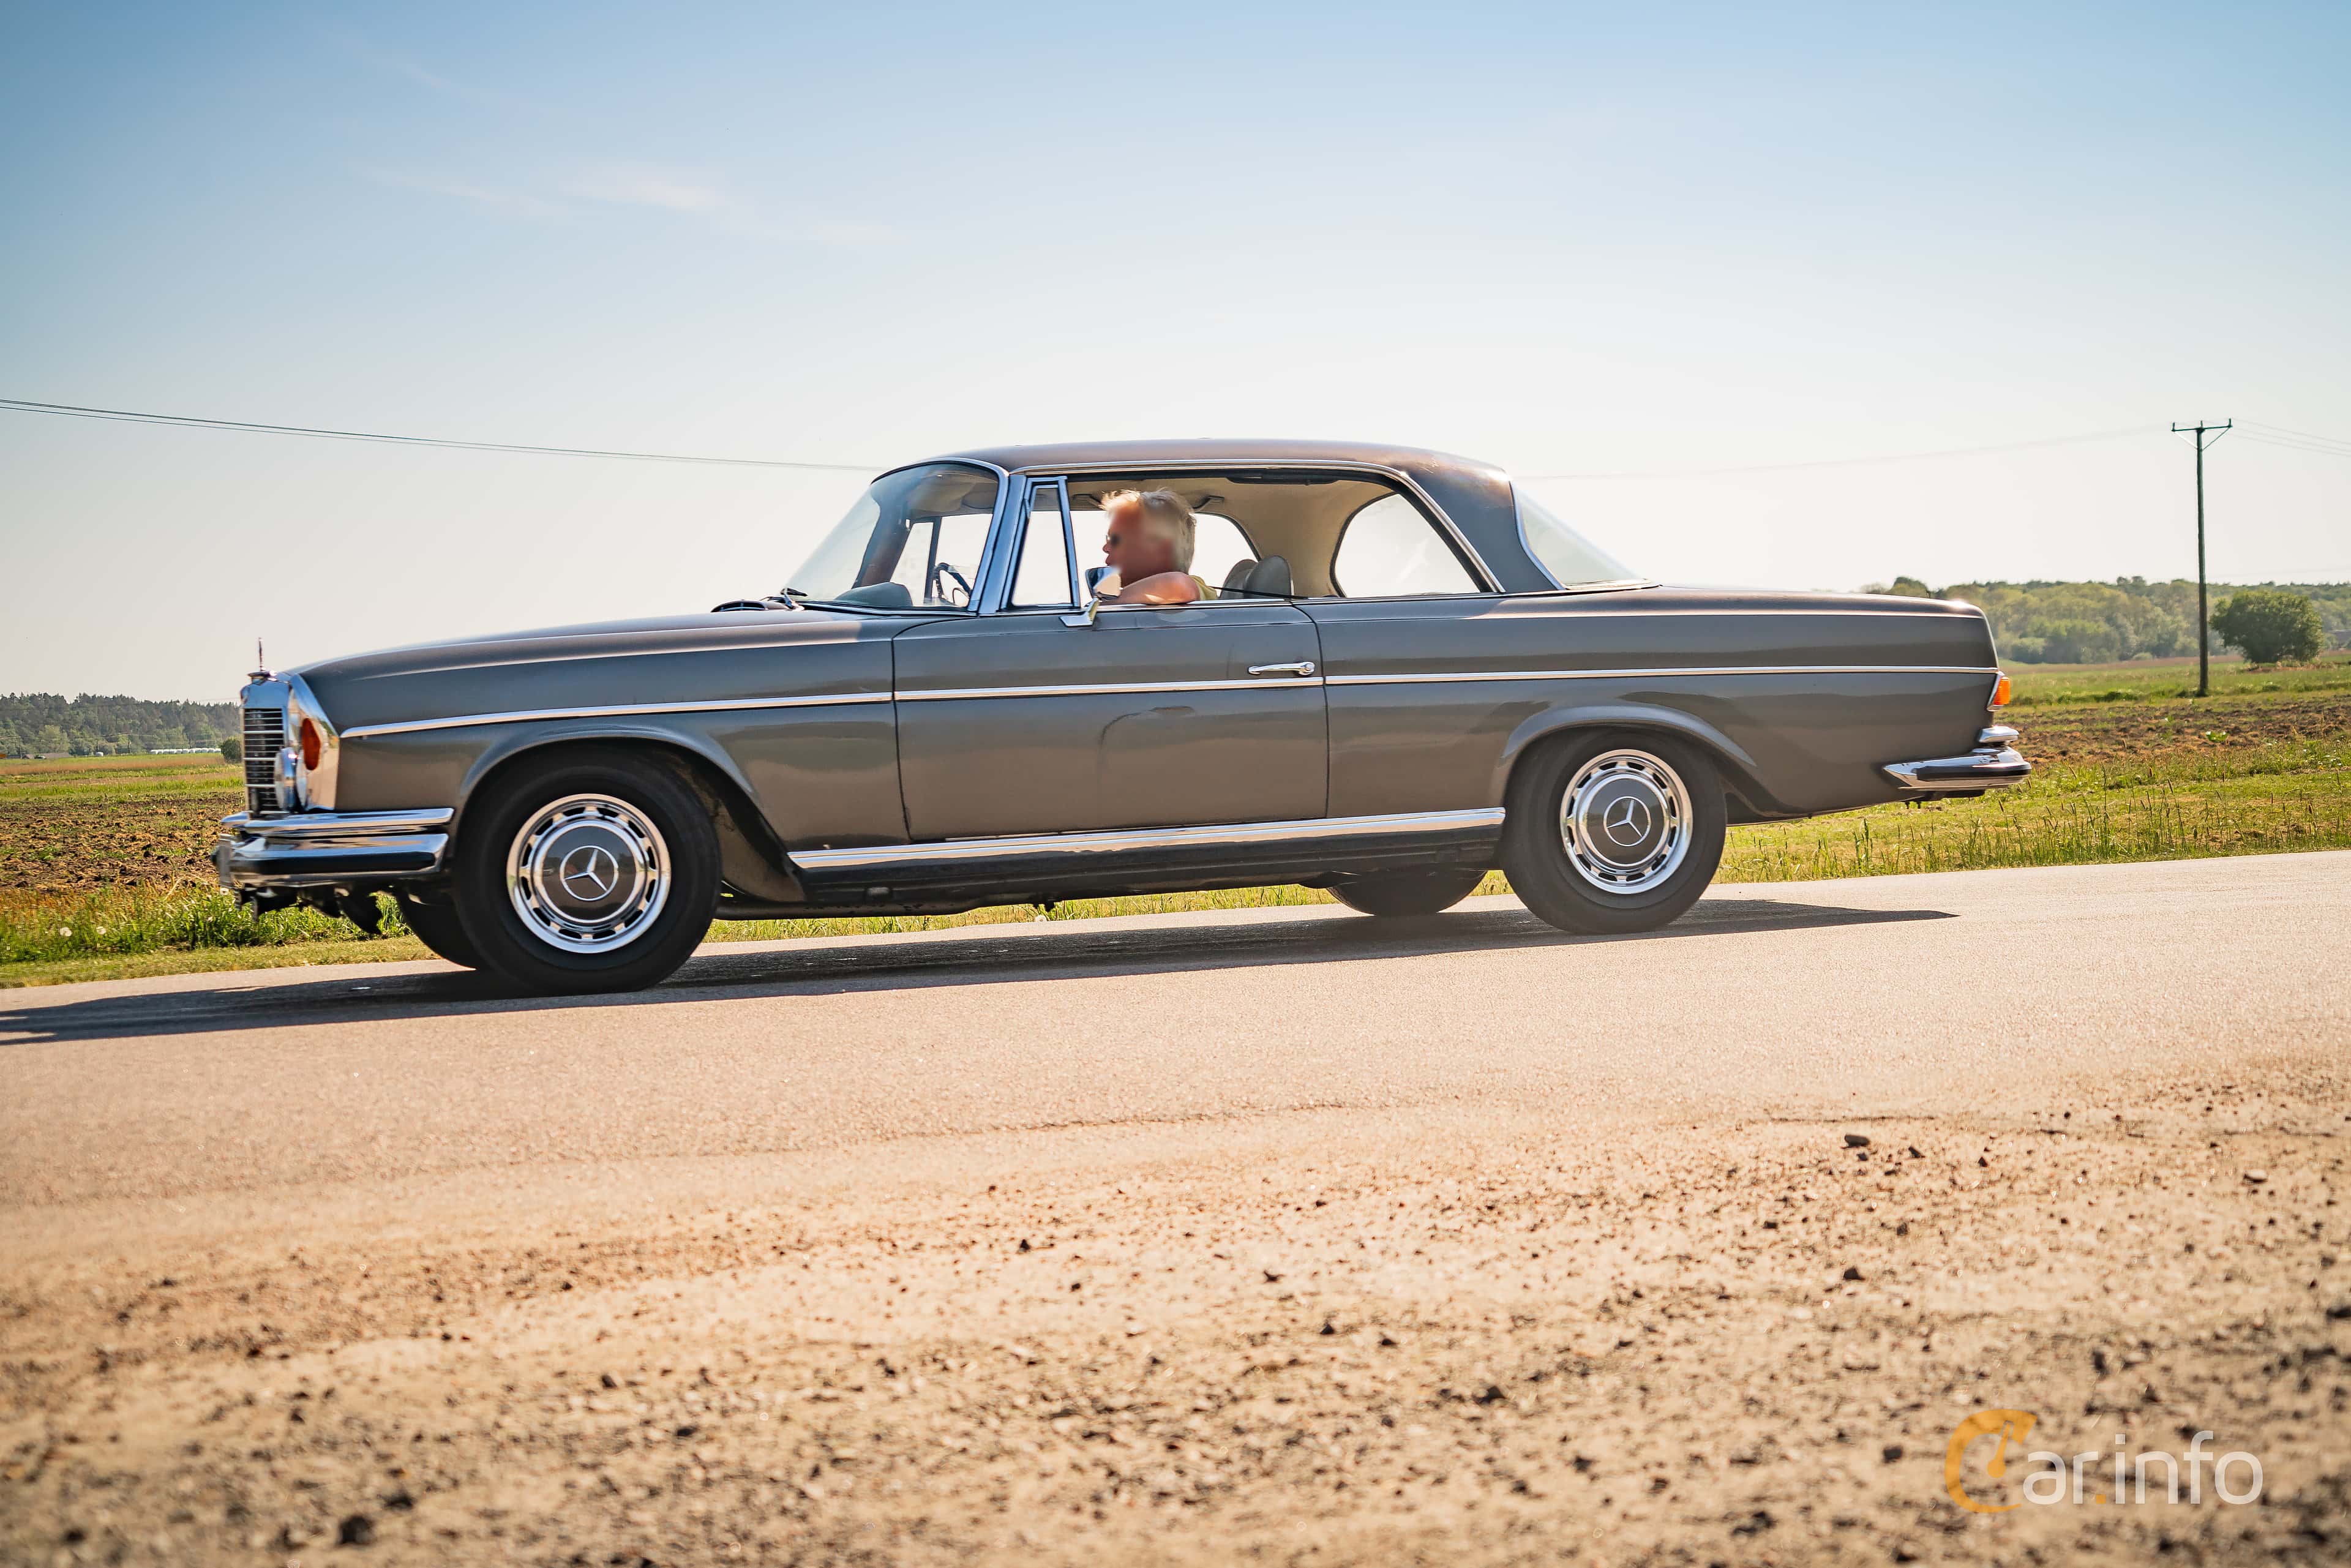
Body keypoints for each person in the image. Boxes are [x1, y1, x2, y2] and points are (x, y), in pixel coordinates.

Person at [1097, 489, 1213, 604]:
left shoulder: (1191, 585)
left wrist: (1105, 606)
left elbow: (1179, 585)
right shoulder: (1138, 600)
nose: (1105, 548)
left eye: (1115, 540)